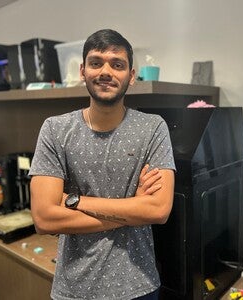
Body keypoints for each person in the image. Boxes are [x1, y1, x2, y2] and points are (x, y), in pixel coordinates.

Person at [29, 29, 176, 300]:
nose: (106, 71)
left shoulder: (153, 128)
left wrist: (74, 201)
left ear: (131, 76)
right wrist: (133, 209)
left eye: (117, 64)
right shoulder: (55, 129)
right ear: (83, 71)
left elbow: (158, 210)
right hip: (73, 289)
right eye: (96, 63)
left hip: (139, 286)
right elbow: (44, 218)